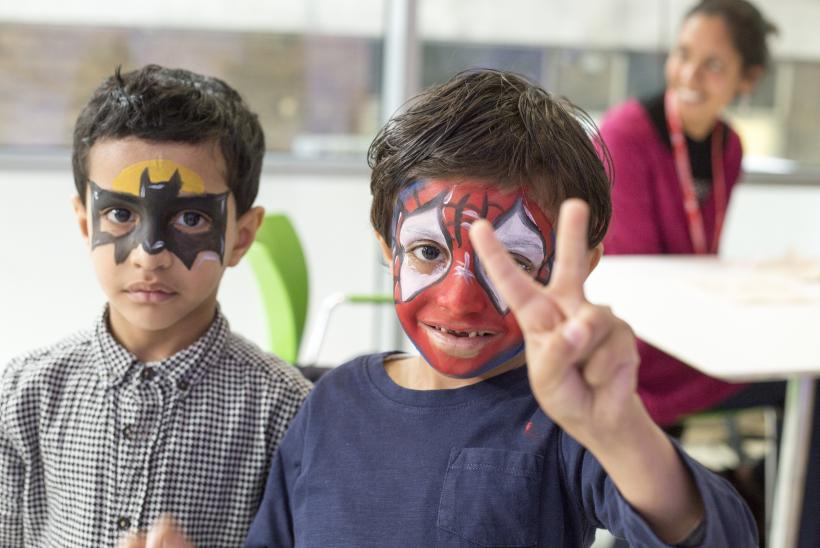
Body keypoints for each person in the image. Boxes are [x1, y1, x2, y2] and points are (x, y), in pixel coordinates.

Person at [239, 69, 757, 547]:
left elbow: (722, 537)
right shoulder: (330, 405)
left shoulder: (564, 421)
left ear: (579, 264)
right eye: (428, 252)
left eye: (511, 260)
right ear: (386, 246)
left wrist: (622, 431)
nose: (461, 301)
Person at [0, 64, 312, 547]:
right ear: (85, 224)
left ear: (241, 236)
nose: (150, 254)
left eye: (190, 218)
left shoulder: (287, 412)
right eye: (120, 214)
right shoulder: (22, 395)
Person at [599, 1, 819, 545]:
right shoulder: (625, 134)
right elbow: (637, 271)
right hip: (641, 348)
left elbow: (697, 253)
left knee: (808, 382)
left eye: (713, 65)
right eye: (683, 55)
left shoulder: (731, 146)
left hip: (695, 338)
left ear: (748, 80)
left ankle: (776, 512)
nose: (690, 75)